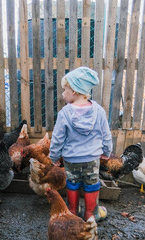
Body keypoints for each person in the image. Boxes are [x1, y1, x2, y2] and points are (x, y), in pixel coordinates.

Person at [49, 66, 112, 222]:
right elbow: (106, 134)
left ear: (74, 91)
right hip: (92, 159)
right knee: (92, 184)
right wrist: (107, 151)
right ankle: (91, 214)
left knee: (73, 182)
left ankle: (72, 211)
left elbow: (57, 138)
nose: (63, 93)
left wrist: (54, 156)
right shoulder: (99, 111)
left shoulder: (64, 113)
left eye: (65, 90)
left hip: (71, 160)